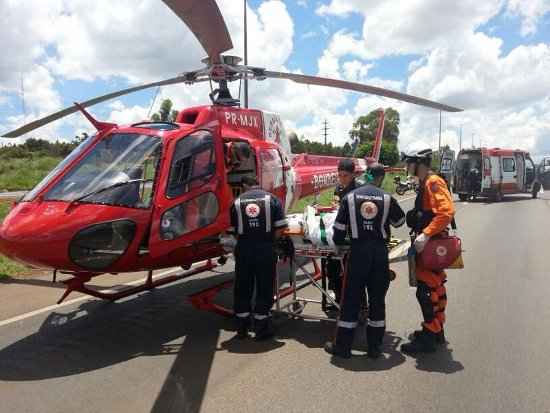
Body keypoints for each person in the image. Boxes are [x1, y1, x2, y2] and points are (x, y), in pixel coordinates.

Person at [325, 163, 405, 359]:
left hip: (358, 252)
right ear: (382, 177)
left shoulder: (350, 197)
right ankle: (375, 348)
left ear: (365, 175)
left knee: (350, 299)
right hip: (379, 253)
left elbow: (338, 231)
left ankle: (343, 348)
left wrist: (339, 245)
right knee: (377, 301)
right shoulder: (387, 198)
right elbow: (400, 221)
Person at [400, 149, 455, 354]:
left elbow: (446, 212)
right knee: (436, 285)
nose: (406, 168)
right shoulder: (426, 183)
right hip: (432, 243)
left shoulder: (433, 182)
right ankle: (437, 330)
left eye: (409, 163)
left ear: (418, 163)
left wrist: (426, 234)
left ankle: (430, 335)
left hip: (431, 244)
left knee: (426, 288)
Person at [228, 176, 288, 340]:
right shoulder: (272, 199)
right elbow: (281, 227)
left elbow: (233, 231)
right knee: (265, 287)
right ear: (258, 184)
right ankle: (262, 328)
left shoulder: (237, 202)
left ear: (244, 186)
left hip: (244, 249)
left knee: (242, 287)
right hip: (265, 249)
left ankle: (241, 327)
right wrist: (270, 241)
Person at [325, 158, 359, 307]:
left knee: (353, 272)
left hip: (355, 235)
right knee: (332, 266)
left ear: (353, 175)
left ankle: (360, 304)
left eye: (345, 176)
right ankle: (338, 297)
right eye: (339, 175)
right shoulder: (338, 188)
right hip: (339, 232)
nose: (342, 179)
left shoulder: (359, 189)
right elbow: (335, 205)